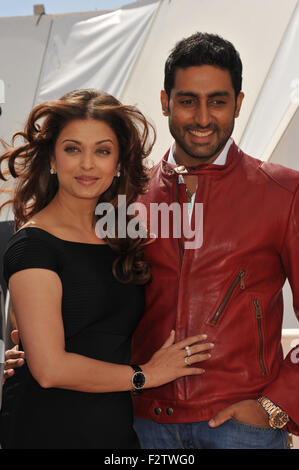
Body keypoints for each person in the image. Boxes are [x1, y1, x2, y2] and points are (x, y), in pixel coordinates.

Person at [5, 33, 299, 450]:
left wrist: (276, 406)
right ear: (165, 102)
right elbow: (80, 286)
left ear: (238, 102)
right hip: (140, 424)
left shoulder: (284, 192)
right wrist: (36, 351)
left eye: (217, 100)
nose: (202, 117)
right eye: (186, 101)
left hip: (241, 426)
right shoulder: (124, 200)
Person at [0, 89, 213, 449]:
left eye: (102, 150)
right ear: (52, 158)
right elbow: (49, 369)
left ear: (117, 164)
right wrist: (146, 376)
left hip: (116, 430)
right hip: (48, 431)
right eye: (72, 149)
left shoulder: (122, 237)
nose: (87, 165)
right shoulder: (33, 244)